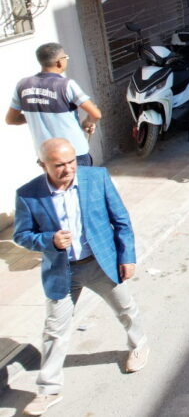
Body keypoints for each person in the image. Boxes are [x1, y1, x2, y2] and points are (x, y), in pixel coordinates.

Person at [14, 138, 149, 415]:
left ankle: (139, 345)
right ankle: (48, 389)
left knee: (125, 309)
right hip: (62, 271)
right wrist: (48, 240)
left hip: (100, 262)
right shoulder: (28, 194)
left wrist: (127, 257)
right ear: (43, 165)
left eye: (71, 161)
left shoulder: (96, 178)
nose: (68, 169)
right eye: (59, 165)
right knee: (54, 330)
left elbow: (121, 220)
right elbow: (21, 235)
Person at [8, 44, 101, 166]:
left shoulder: (23, 85)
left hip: (46, 156)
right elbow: (96, 114)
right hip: (73, 154)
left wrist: (36, 116)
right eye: (65, 57)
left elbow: (11, 119)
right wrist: (88, 122)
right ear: (59, 62)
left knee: (55, 186)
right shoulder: (66, 85)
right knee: (80, 184)